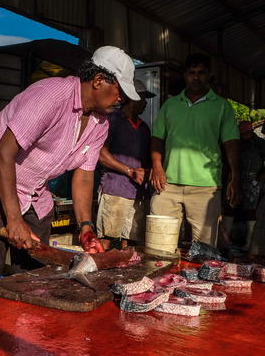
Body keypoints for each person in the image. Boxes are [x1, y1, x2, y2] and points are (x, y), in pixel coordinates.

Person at [0, 45, 141, 289]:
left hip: (34, 187)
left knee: (38, 269)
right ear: (99, 81)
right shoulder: (50, 96)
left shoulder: (101, 122)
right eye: (120, 92)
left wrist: (86, 228)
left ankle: (24, 321)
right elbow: (2, 153)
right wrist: (15, 220)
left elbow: (83, 175)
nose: (122, 100)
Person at [150, 53, 241, 247]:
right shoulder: (170, 105)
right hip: (168, 184)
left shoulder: (222, 107)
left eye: (201, 72)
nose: (196, 77)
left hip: (206, 187)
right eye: (192, 73)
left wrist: (236, 176)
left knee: (204, 250)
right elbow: (157, 139)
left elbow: (231, 143)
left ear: (209, 75)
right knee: (160, 244)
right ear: (185, 75)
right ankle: (164, 278)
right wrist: (157, 166)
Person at [96, 79, 155, 250]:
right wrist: (129, 171)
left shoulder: (144, 128)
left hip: (139, 194)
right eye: (143, 98)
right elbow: (101, 154)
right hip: (115, 191)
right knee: (105, 240)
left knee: (131, 244)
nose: (145, 103)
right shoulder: (112, 120)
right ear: (132, 97)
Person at [237, 120, 265, 251]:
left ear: (251, 132)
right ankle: (229, 239)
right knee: (230, 205)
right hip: (236, 177)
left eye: (244, 134)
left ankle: (249, 242)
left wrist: (260, 177)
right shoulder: (237, 143)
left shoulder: (260, 143)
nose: (242, 136)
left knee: (251, 209)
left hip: (252, 179)